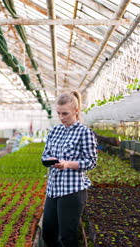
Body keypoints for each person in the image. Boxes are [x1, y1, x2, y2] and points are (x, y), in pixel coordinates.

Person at [41, 91, 98, 247]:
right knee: (48, 234)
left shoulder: (84, 133)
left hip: (72, 191)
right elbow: (45, 154)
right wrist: (48, 160)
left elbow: (91, 162)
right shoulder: (55, 131)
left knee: (68, 236)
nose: (61, 117)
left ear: (76, 111)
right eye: (58, 113)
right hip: (53, 189)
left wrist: (67, 164)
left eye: (65, 113)